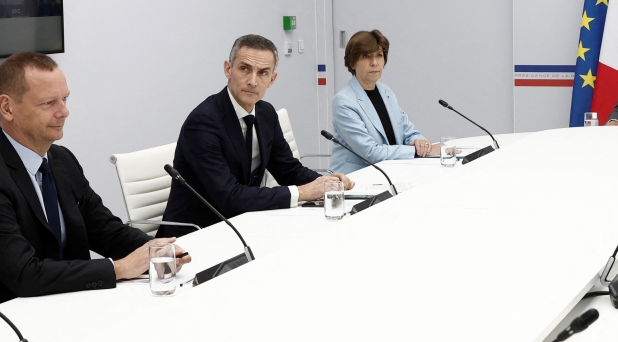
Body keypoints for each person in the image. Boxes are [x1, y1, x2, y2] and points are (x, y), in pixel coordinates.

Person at [0, 53, 190, 332]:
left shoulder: (61, 161)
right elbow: (25, 274)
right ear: (7, 108)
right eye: (48, 103)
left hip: (48, 312)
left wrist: (158, 252)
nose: (64, 111)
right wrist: (118, 269)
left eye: (65, 99)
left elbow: (105, 230)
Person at [158, 35, 353, 238]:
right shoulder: (203, 123)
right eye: (244, 69)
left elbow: (288, 170)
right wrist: (304, 192)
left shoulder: (266, 113)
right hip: (196, 236)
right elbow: (230, 197)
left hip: (243, 224)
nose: (252, 81)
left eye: (262, 73)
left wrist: (327, 184)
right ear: (228, 69)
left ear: (272, 79)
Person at [329, 30, 437, 174]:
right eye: (366, 56)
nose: (374, 63)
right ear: (352, 62)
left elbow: (408, 131)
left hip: (390, 172)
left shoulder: (386, 91)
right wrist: (416, 151)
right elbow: (371, 153)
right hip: (356, 180)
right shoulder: (344, 102)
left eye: (379, 55)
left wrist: (420, 142)